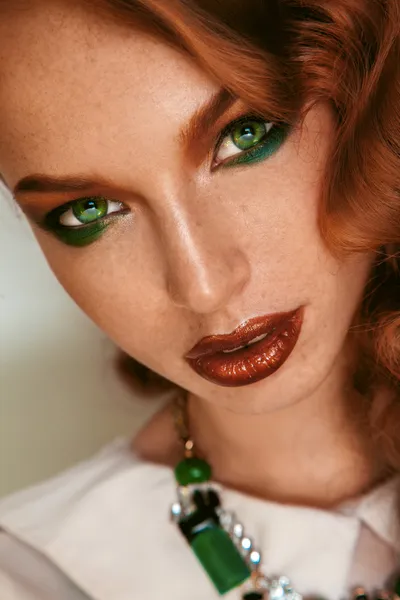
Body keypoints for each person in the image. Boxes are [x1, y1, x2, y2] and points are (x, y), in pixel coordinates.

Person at [0, 0, 399, 598]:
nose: (202, 285)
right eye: (90, 210)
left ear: (361, 101)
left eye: (244, 136)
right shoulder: (34, 574)